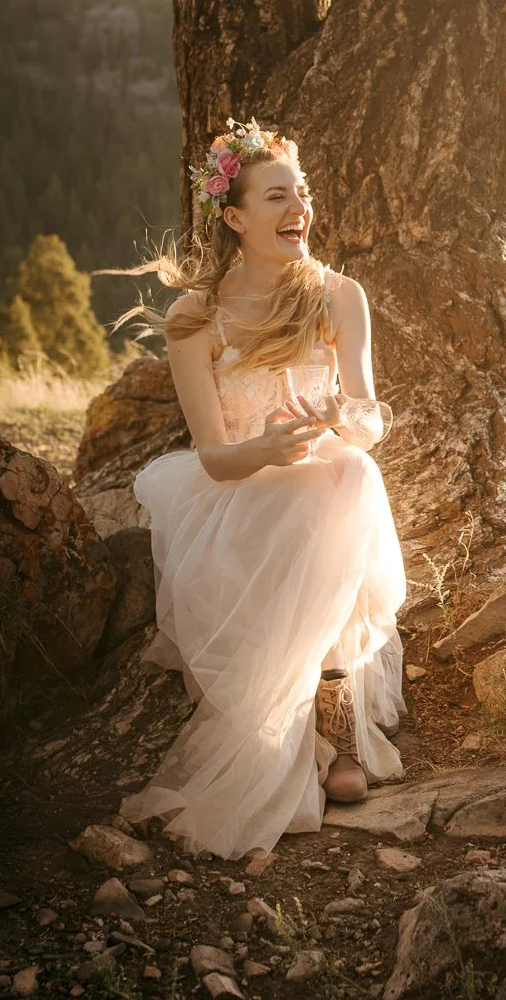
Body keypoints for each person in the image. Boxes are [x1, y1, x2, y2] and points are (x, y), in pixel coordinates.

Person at [115, 120, 406, 861]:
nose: (298, 206)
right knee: (332, 486)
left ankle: (333, 712)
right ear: (236, 216)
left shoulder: (341, 296)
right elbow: (213, 457)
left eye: (302, 192)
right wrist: (266, 449)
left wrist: (346, 417)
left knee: (351, 471)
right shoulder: (196, 317)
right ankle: (312, 726)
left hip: (328, 492)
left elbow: (368, 419)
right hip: (237, 505)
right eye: (278, 195)